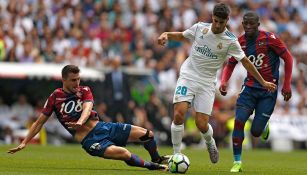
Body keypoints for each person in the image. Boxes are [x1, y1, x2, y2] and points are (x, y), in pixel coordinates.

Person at [157, 3, 276, 164]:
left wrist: (262, 82)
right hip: (188, 76)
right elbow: (182, 35)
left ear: (227, 20)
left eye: (221, 22)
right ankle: (176, 154)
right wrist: (167, 34)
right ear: (212, 18)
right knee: (179, 113)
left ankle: (210, 142)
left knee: (201, 123)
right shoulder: (200, 28)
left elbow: (246, 62)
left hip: (207, 83)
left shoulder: (230, 40)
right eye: (215, 21)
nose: (218, 25)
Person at [7, 65, 169, 171]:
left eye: (78, 79)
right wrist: (24, 142)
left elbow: (87, 107)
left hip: (104, 127)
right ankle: (152, 166)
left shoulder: (84, 90)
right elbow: (39, 122)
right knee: (124, 153)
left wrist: (80, 121)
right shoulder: (55, 97)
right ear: (63, 80)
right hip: (91, 141)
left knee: (148, 134)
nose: (77, 83)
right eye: (73, 80)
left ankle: (157, 158)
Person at [219, 11, 293, 172]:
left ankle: (264, 125)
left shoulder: (269, 39)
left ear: (258, 25)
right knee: (239, 121)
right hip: (250, 88)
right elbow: (230, 63)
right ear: (243, 25)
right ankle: (237, 162)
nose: (249, 26)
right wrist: (224, 81)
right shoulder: (239, 42)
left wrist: (286, 85)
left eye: (252, 24)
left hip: (269, 91)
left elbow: (288, 58)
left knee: (256, 132)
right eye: (246, 24)